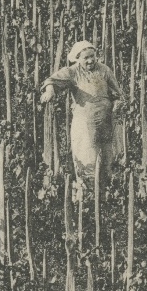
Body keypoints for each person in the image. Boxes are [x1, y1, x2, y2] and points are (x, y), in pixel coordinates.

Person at [40, 40, 124, 186]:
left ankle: (108, 194)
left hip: (106, 121)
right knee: (87, 158)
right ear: (78, 58)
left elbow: (117, 93)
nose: (91, 60)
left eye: (92, 56)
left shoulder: (104, 70)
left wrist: (117, 103)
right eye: (86, 58)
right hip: (85, 123)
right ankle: (88, 194)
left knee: (108, 157)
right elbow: (51, 80)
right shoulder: (73, 72)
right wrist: (50, 90)